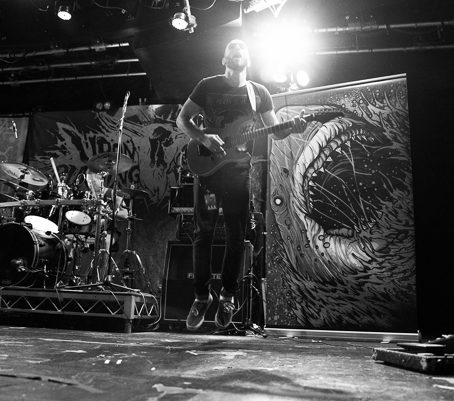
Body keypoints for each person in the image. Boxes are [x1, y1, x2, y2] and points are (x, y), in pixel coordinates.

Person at [176, 39, 285, 331]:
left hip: (238, 173)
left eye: (242, 48)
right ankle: (202, 296)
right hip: (209, 172)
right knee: (203, 233)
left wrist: (290, 127)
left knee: (237, 236)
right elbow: (182, 119)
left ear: (248, 58)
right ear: (224, 59)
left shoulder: (258, 93)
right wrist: (203, 138)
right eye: (232, 49)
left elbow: (276, 131)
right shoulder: (207, 85)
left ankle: (227, 295)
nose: (238, 49)